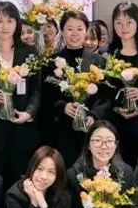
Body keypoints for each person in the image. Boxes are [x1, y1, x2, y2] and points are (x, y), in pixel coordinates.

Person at [0, 1, 41, 186]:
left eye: (9, 21)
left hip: (22, 129)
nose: (5, 26)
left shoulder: (29, 52)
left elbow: (36, 89)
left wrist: (29, 113)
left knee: (20, 180)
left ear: (17, 23)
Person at [40, 10, 110, 164]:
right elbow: (45, 96)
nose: (75, 34)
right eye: (70, 29)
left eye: (79, 29)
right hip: (60, 131)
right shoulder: (51, 62)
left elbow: (105, 97)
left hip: (90, 130)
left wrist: (93, 115)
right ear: (62, 31)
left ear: (86, 31)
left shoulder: (98, 61)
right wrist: (63, 106)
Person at [103, 2, 138, 167]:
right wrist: (115, 108)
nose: (124, 27)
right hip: (113, 126)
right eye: (119, 22)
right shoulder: (106, 52)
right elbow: (102, 92)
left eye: (129, 22)